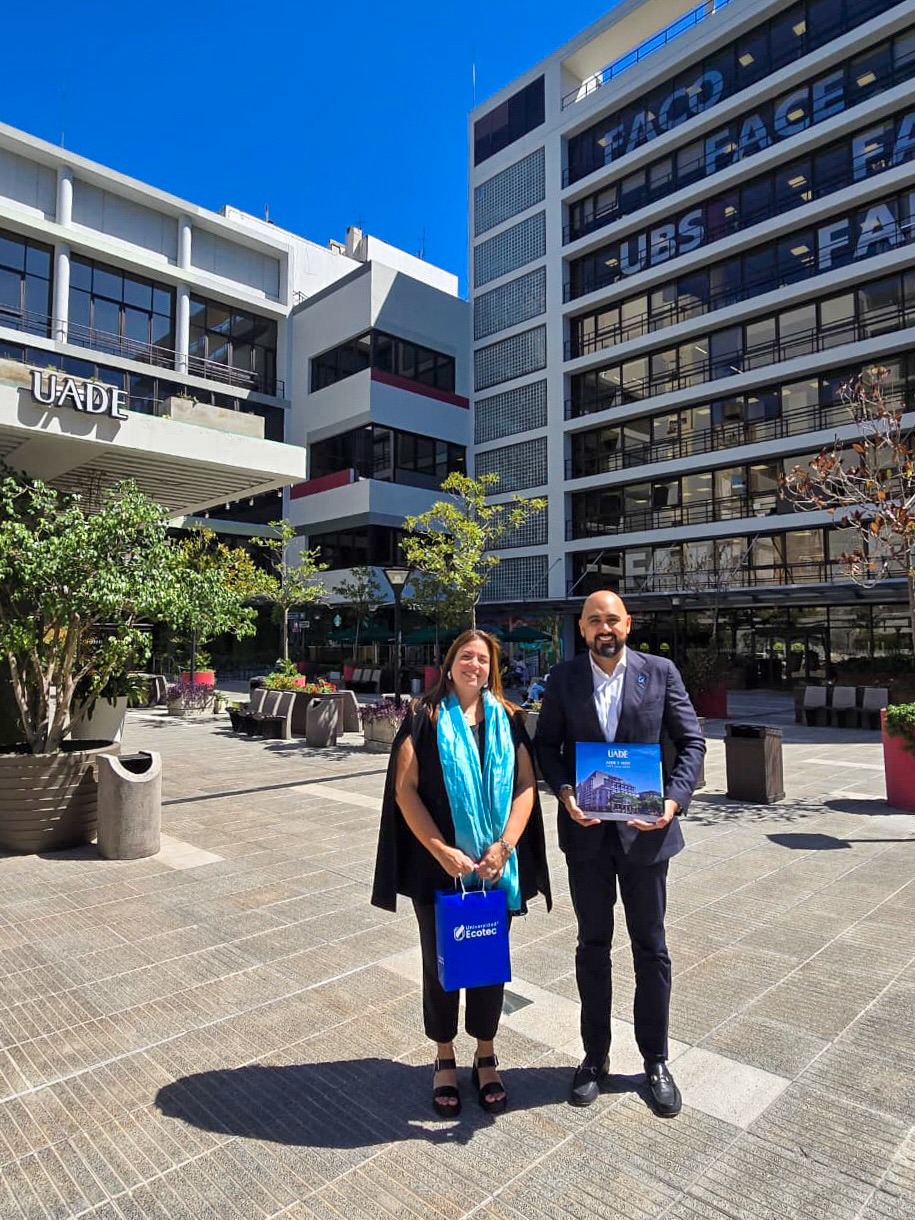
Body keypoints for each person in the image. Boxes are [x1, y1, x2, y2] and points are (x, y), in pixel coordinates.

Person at [535, 591, 705, 1117]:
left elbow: (692, 742)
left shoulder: (659, 672)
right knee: (592, 946)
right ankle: (594, 1058)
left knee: (651, 949)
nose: (603, 627)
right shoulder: (564, 679)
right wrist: (564, 792)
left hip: (647, 837)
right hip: (586, 837)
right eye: (593, 620)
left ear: (627, 623)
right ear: (582, 628)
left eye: (612, 618)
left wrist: (674, 801)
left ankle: (655, 1059)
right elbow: (547, 748)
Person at [371, 629, 551, 1118]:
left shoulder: (509, 719)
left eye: (483, 659)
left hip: (494, 871)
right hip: (439, 871)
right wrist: (441, 851)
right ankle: (444, 1057)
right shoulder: (423, 717)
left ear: (493, 668)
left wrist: (504, 846)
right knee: (442, 966)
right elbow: (405, 790)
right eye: (466, 657)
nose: (475, 665)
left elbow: (526, 788)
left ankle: (486, 1053)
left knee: (488, 962)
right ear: (450, 662)